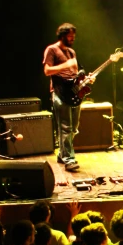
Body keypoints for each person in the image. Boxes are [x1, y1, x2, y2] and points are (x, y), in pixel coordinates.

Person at [43, 22, 88, 171]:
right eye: (69, 36)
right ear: (62, 36)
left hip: (73, 92)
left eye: (73, 37)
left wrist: (86, 79)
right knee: (65, 128)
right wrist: (66, 65)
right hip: (59, 92)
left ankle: (62, 153)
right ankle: (69, 159)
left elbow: (75, 74)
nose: (72, 39)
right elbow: (47, 71)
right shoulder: (52, 50)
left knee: (74, 128)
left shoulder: (71, 52)